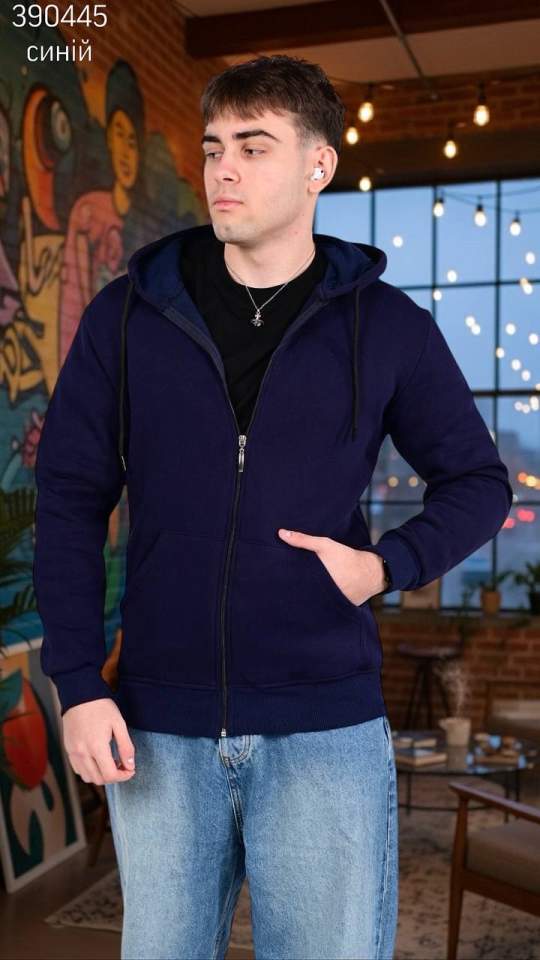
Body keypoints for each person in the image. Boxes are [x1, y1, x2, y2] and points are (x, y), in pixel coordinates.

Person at [32, 55, 513, 960]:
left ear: (318, 165)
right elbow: (66, 498)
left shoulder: (388, 327)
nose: (224, 169)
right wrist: (79, 683)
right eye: (215, 147)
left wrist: (386, 565)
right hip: (159, 726)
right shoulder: (128, 317)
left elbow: (480, 483)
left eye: (253, 148)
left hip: (325, 725)